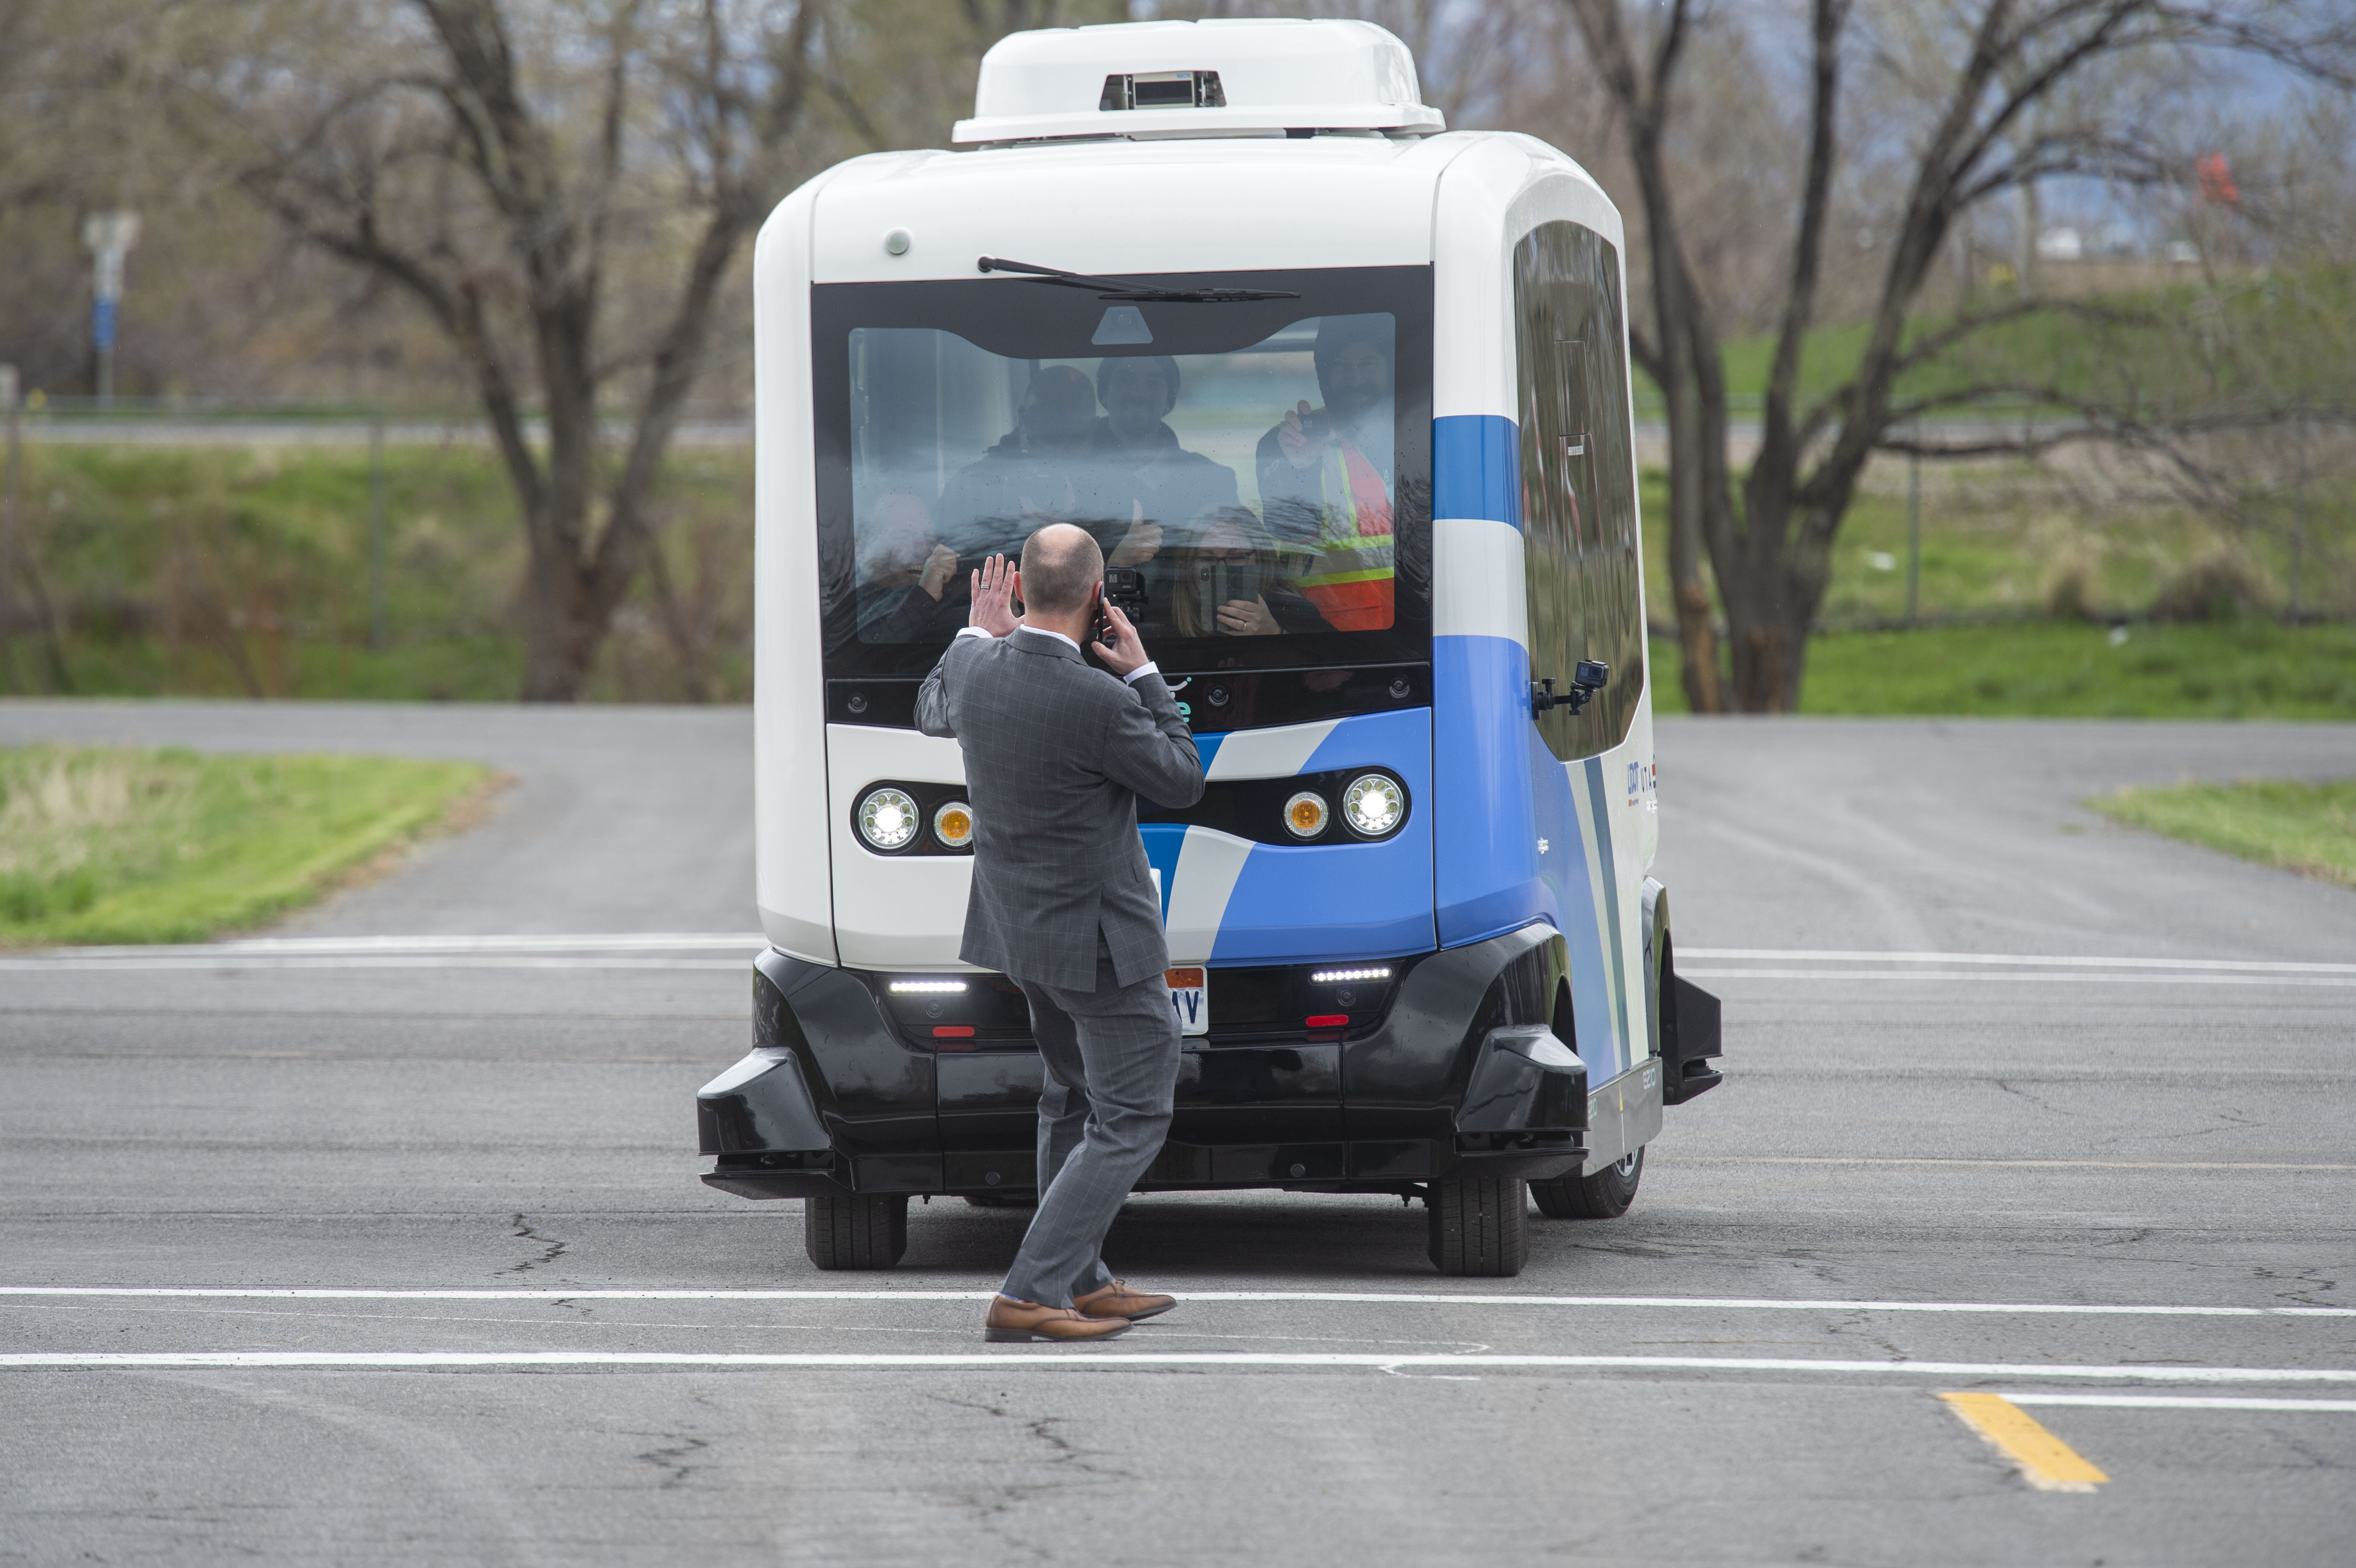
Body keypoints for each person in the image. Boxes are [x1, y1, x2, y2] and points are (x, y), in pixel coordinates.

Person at [914, 523, 1204, 1344]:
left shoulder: (972, 665)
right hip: (1100, 944)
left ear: (1016, 594)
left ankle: (1081, 1277)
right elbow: (1182, 779)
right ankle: (1029, 1289)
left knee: (1071, 1096)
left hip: (1020, 938)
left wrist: (976, 629)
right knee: (1134, 1114)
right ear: (1093, 595)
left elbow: (931, 708)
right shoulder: (1101, 698)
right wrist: (1145, 672)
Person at [1255, 315, 1397, 631]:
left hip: (1418, 637)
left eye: (1368, 363)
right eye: (1341, 365)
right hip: (1323, 642)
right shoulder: (1285, 443)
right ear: (1323, 372)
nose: (1355, 378)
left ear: (1390, 366)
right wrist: (1301, 466)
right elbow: (1286, 528)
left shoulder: (1424, 432)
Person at [1077, 355, 1239, 575]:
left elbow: (1237, 569)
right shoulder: (1071, 478)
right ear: (1104, 393)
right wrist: (1114, 567)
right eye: (1126, 380)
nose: (1139, 393)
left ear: (1170, 400)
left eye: (1154, 383)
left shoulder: (1215, 480)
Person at [824, 490, 964, 657]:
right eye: (904, 536)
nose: (925, 550)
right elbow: (856, 658)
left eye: (928, 535)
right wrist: (924, 596)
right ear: (860, 548)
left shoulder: (952, 597)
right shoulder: (842, 604)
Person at [1167, 506, 1325, 639]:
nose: (1222, 571)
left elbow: (1333, 664)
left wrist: (1273, 631)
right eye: (1208, 559)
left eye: (1236, 558)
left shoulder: (1293, 610)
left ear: (1260, 559)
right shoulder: (1166, 619)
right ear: (1188, 566)